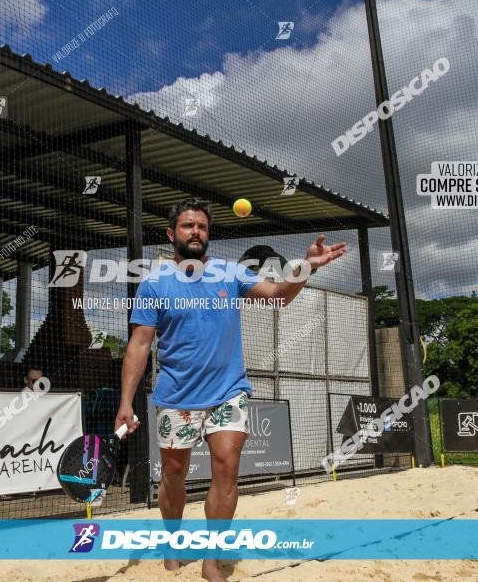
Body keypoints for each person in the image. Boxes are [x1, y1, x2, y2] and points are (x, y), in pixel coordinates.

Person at [113, 198, 347, 582]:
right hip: (176, 396)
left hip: (228, 391)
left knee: (228, 468)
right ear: (172, 234)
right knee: (174, 475)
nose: (196, 233)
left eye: (202, 227)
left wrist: (306, 266)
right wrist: (126, 401)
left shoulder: (228, 273)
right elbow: (139, 345)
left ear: (209, 235)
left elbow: (278, 295)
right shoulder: (154, 283)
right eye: (188, 226)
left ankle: (211, 559)